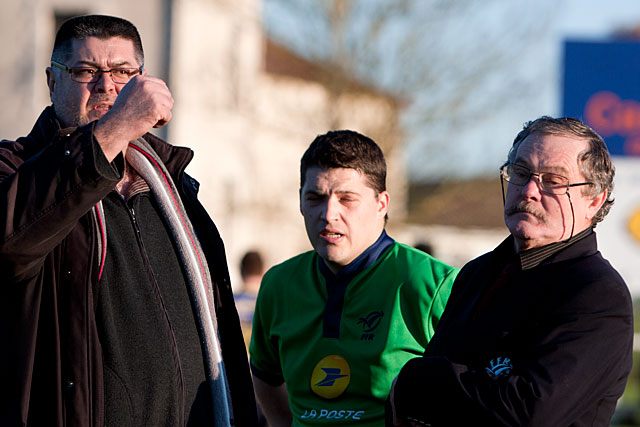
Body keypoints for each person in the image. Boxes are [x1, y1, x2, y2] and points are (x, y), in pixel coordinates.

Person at [0, 15, 257, 427]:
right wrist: (115, 128)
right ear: (52, 82)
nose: (106, 86)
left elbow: (221, 327)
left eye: (122, 72)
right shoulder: (14, 169)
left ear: (142, 80)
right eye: (85, 71)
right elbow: (11, 242)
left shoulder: (174, 186)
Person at [388, 116, 634, 426]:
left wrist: (418, 377)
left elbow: (529, 413)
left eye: (553, 180)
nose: (529, 190)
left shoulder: (597, 295)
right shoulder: (477, 274)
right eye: (520, 172)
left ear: (594, 201)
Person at [249, 130, 459, 426]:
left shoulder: (434, 284)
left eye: (347, 199)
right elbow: (265, 378)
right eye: (315, 198)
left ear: (382, 204)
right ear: (300, 201)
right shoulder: (278, 285)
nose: (328, 213)